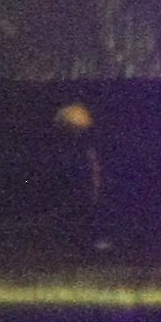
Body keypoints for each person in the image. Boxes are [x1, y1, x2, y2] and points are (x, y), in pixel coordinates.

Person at [54, 102, 108, 254]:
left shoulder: (86, 145)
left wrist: (95, 181)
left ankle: (87, 240)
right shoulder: (67, 147)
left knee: (87, 208)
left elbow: (93, 164)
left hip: (85, 181)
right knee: (75, 208)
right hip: (75, 180)